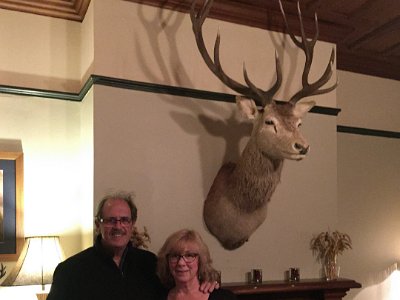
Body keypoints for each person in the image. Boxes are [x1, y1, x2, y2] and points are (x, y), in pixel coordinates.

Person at [48, 192, 217, 300]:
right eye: (110, 220)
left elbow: (183, 285)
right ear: (98, 224)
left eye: (124, 220)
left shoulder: (150, 264)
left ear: (132, 224)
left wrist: (208, 283)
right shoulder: (71, 271)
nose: (118, 226)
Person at [157, 229, 237, 300]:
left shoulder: (223, 297)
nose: (181, 263)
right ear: (167, 261)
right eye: (174, 256)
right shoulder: (158, 296)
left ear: (200, 260)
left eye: (189, 255)